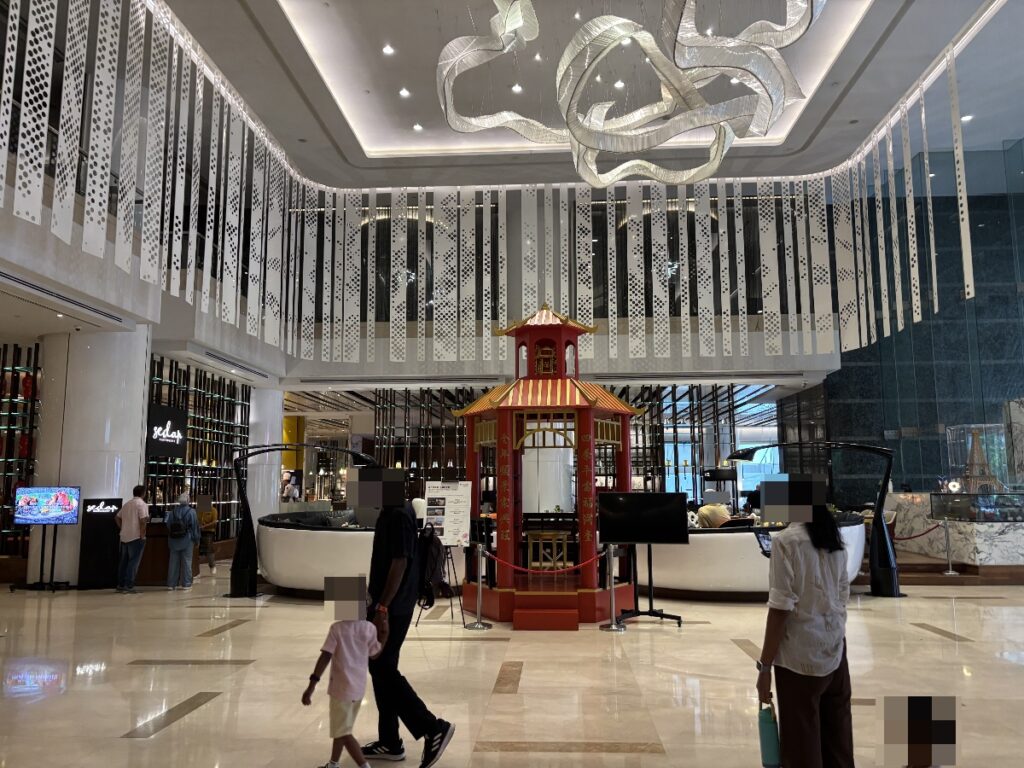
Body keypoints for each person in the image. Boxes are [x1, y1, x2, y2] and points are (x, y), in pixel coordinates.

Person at [756, 505, 853, 768]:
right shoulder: (833, 538)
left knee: (801, 747)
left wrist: (765, 667)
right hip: (836, 651)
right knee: (838, 742)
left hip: (799, 658)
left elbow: (780, 609)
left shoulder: (786, 542)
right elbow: (842, 595)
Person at [361, 492, 454, 767]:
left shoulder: (399, 514)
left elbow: (400, 562)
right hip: (387, 604)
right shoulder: (390, 511)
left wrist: (382, 609)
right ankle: (390, 740)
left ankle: (432, 727)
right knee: (381, 667)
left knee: (382, 668)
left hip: (393, 607)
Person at [302, 587, 383, 768]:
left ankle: (364, 765)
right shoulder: (369, 628)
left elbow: (325, 656)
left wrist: (312, 685)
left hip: (340, 690)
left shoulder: (337, 629)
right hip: (358, 689)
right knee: (342, 727)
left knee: (343, 732)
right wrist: (384, 634)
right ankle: (333, 764)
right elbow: (375, 653)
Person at [115, 485, 150, 593]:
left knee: (124, 562)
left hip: (124, 536)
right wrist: (142, 534)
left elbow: (117, 517)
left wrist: (123, 527)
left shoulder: (127, 504)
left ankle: (121, 584)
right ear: (143, 493)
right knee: (133, 562)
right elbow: (143, 520)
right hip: (136, 537)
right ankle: (129, 585)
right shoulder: (142, 504)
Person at [166, 493, 200, 591]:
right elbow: (195, 527)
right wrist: (197, 540)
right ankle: (186, 584)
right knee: (187, 561)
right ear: (188, 501)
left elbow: (168, 525)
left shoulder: (172, 512)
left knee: (173, 562)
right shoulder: (191, 512)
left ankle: (171, 584)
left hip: (173, 540)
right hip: (187, 540)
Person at [198, 500, 218, 575]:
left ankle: (212, 566)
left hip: (209, 532)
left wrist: (205, 526)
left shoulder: (213, 510)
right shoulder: (200, 510)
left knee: (209, 549)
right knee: (198, 549)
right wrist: (200, 524)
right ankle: (196, 568)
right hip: (200, 531)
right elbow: (198, 519)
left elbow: (214, 522)